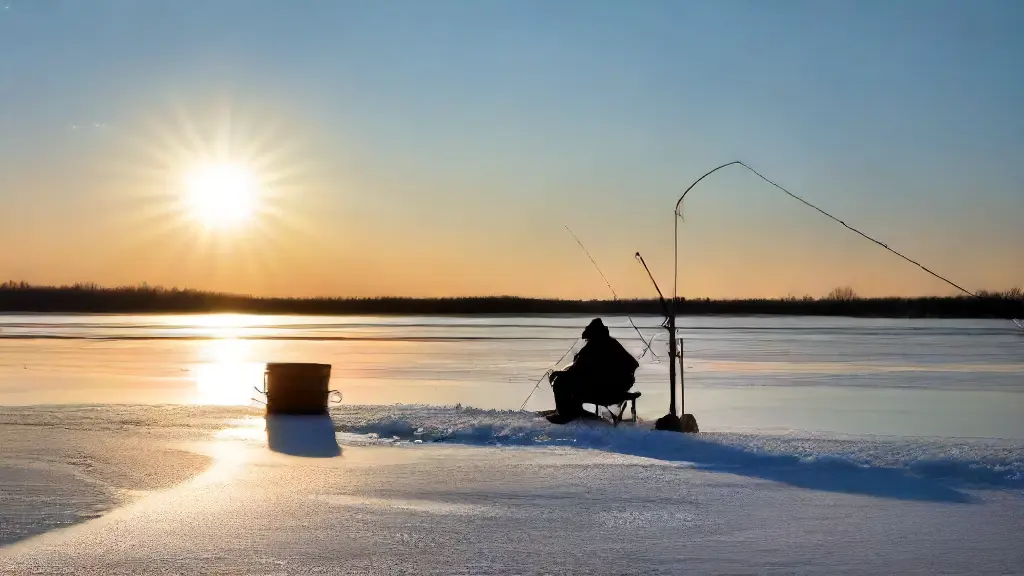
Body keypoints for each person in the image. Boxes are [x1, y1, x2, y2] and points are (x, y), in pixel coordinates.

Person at [546, 318, 639, 424]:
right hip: (615, 387)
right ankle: (576, 410)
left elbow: (578, 370)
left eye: (587, 339)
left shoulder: (594, 346)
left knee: (561, 382)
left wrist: (558, 373)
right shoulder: (612, 343)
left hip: (604, 390)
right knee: (578, 383)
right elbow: (633, 364)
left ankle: (565, 414)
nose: (586, 341)